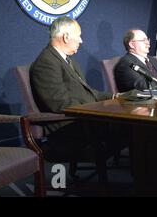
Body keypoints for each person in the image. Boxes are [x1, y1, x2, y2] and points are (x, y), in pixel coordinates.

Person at [30, 17, 134, 158]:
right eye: (79, 36)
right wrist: (98, 109)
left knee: (133, 123)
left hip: (85, 119)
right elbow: (60, 104)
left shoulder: (69, 61)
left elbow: (88, 93)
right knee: (133, 127)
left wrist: (114, 97)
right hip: (70, 127)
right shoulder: (46, 63)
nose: (81, 41)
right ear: (66, 37)